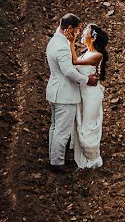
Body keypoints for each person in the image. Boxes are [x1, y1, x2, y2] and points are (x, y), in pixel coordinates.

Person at [45, 13, 97, 173]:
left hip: (55, 90)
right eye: (77, 29)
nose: (78, 33)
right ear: (69, 28)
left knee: (55, 127)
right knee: (62, 129)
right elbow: (68, 71)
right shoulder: (61, 46)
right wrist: (86, 79)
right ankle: (57, 163)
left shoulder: (54, 41)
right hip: (64, 93)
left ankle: (54, 157)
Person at [70, 23, 108, 169]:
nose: (82, 34)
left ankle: (92, 158)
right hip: (83, 93)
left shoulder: (97, 55)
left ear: (92, 39)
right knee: (81, 122)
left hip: (91, 94)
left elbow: (74, 62)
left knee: (88, 125)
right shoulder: (85, 53)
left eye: (85, 32)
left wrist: (71, 41)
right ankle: (84, 157)